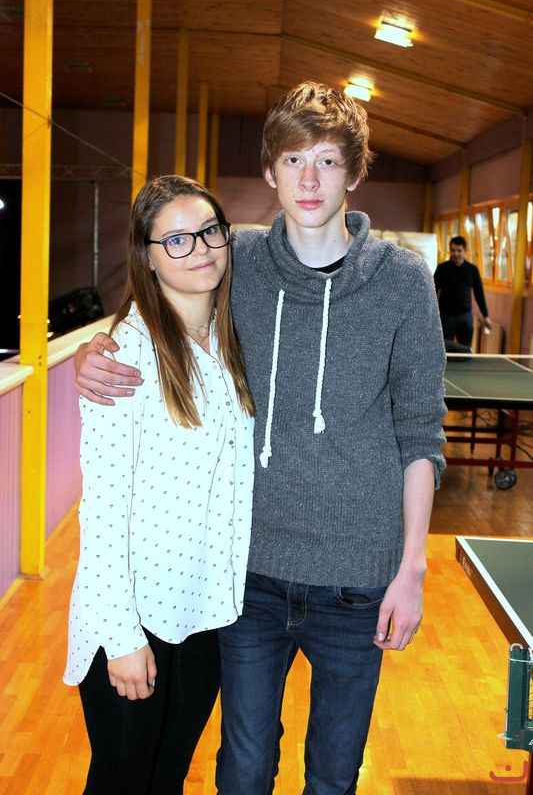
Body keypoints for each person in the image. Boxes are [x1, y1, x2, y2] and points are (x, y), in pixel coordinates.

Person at [75, 82, 446, 795]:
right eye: (293, 159)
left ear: (354, 173)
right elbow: (160, 302)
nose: (309, 179)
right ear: (270, 172)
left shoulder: (401, 281)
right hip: (249, 578)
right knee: (242, 771)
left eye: (328, 161)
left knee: (334, 775)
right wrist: (96, 353)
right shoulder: (236, 261)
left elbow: (419, 432)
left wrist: (411, 571)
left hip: (358, 580)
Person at [64, 175, 255, 795]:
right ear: (146, 256)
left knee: (166, 780)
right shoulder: (126, 356)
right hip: (133, 617)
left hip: (204, 612)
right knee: (122, 782)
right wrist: (121, 638)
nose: (198, 248)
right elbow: (102, 510)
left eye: (208, 231)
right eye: (175, 240)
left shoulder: (229, 338)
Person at [434, 235, 491, 347]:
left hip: (465, 316)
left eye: (459, 250)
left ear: (465, 251)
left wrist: (486, 315)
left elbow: (479, 293)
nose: (455, 253)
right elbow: (433, 291)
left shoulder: (472, 270)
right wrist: (431, 313)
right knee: (444, 348)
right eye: (453, 250)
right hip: (446, 316)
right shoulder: (442, 268)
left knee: (465, 349)